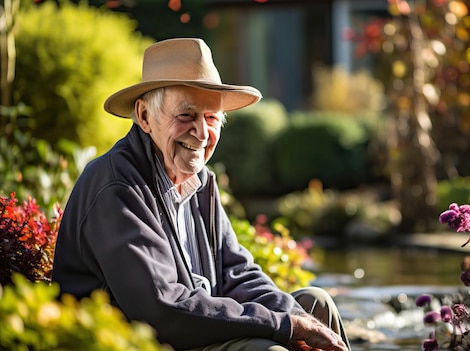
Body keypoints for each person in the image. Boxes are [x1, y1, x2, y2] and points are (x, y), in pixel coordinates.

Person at [52, 38, 351, 351]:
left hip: (194, 328)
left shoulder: (202, 181)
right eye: (186, 115)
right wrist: (282, 326)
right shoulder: (117, 185)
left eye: (211, 118)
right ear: (144, 116)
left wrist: (294, 319)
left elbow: (237, 274)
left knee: (316, 306)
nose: (202, 132)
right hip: (147, 342)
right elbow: (162, 309)